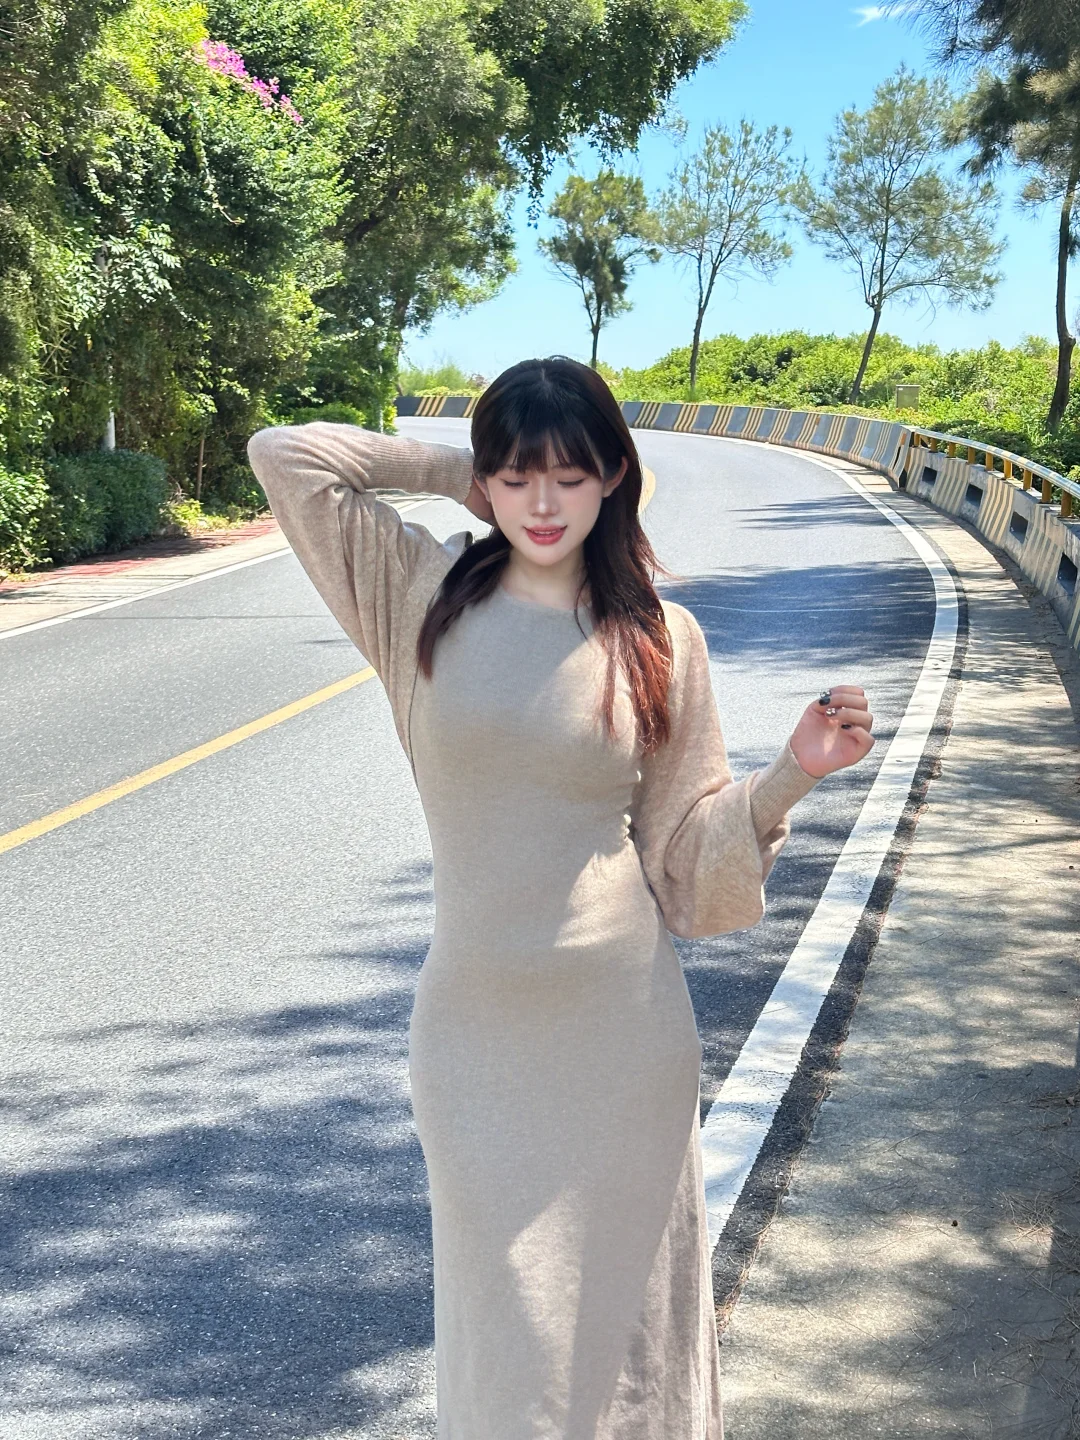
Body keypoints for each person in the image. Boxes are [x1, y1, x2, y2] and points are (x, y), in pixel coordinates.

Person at [246, 355, 874, 1439]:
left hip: (621, 1037)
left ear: (615, 477)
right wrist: (455, 472)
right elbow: (287, 456)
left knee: (628, 1333)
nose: (543, 504)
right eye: (517, 477)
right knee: (510, 1345)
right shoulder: (416, 595)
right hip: (476, 1039)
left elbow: (683, 858)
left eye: (571, 477)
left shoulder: (659, 637)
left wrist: (792, 775)